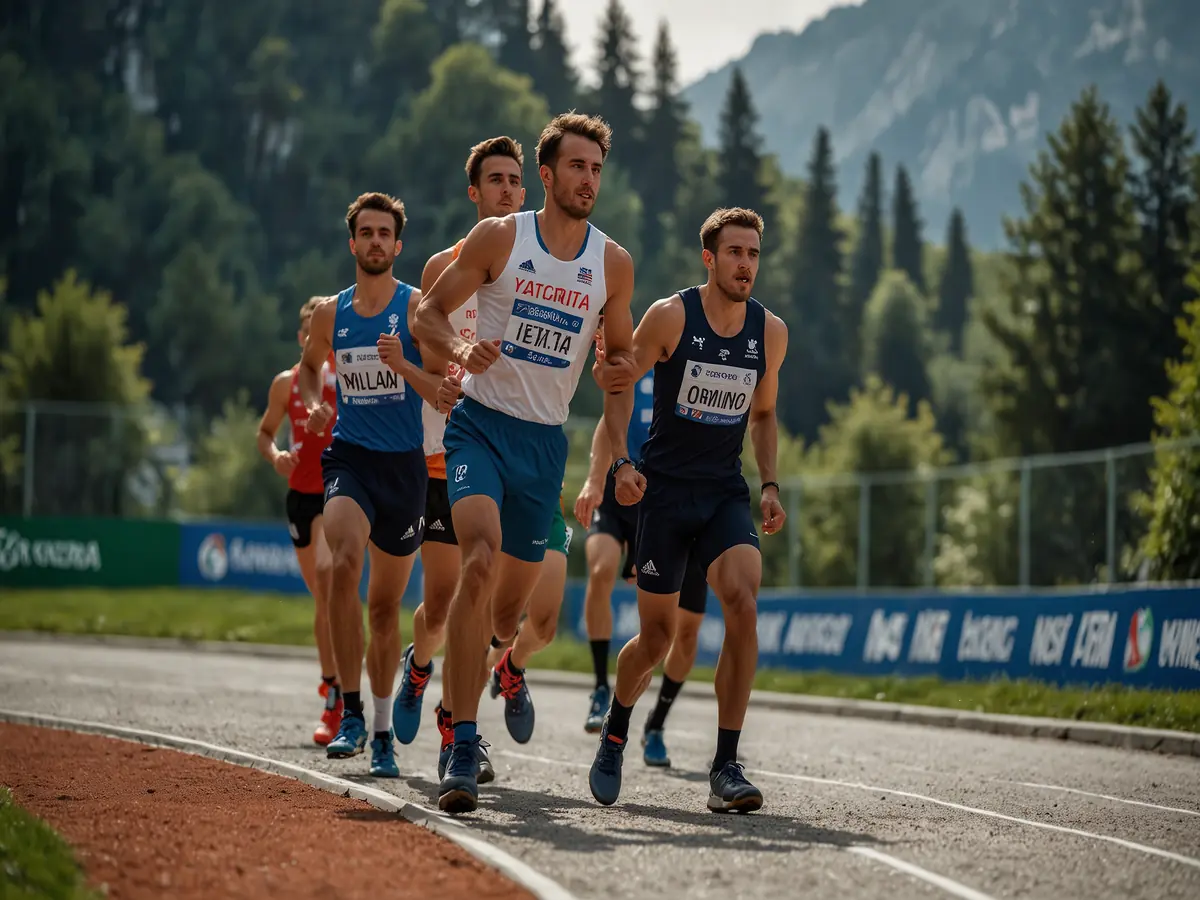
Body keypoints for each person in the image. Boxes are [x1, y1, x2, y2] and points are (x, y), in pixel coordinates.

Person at [412, 112, 637, 815]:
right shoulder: (499, 239)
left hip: (544, 445)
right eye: (576, 167)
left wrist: (616, 366)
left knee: (506, 616)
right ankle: (461, 745)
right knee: (475, 559)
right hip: (479, 427)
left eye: (597, 169)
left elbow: (621, 366)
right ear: (547, 175)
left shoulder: (613, 264)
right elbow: (426, 313)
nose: (588, 180)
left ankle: (494, 670)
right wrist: (455, 352)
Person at [587, 207, 788, 814]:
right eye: (734, 253)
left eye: (753, 254)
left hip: (724, 491)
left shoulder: (769, 332)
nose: (745, 265)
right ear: (710, 257)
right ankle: (618, 726)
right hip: (666, 495)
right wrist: (621, 463)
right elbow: (619, 384)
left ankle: (726, 764)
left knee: (744, 602)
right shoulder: (672, 316)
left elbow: (763, 413)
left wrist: (771, 484)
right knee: (656, 639)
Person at [390, 135, 529, 786]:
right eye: (494, 180)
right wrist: (440, 377)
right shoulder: (445, 264)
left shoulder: (534, 265)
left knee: (492, 604)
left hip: (504, 448)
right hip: (443, 448)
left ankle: (458, 727)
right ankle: (420, 669)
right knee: (442, 605)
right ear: (474, 192)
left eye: (514, 180)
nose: (506, 189)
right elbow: (424, 335)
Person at [298, 192, 444, 779]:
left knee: (385, 612)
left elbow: (440, 391)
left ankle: (382, 732)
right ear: (352, 242)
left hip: (404, 470)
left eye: (386, 233)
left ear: (398, 245)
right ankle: (350, 713)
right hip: (349, 460)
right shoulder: (332, 314)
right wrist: (314, 404)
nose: (377, 241)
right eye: (367, 232)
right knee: (339, 563)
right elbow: (310, 365)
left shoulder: (414, 310)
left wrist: (402, 365)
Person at [574, 335, 711, 767]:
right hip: (620, 493)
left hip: (672, 501)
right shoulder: (634, 365)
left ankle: (657, 723)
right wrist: (595, 481)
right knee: (601, 573)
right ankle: (601, 688)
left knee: (684, 633)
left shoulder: (696, 368)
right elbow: (605, 422)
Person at [255, 296, 342, 747]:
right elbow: (264, 433)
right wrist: (276, 457)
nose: (314, 340)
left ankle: (338, 700)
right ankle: (332, 680)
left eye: (321, 333)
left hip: (337, 491)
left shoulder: (345, 379)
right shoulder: (285, 384)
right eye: (307, 332)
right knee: (321, 601)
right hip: (300, 498)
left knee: (329, 579)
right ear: (300, 337)